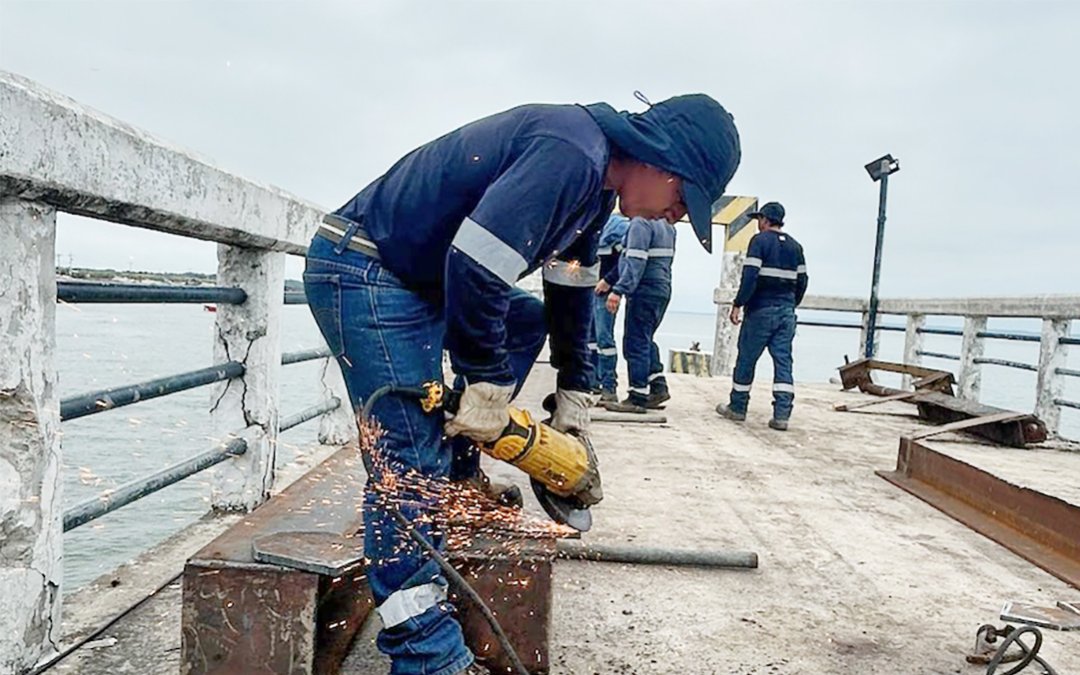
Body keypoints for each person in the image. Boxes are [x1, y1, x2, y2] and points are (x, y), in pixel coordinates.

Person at [304, 94, 740, 675]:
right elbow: (475, 267)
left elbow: (570, 288)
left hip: (418, 278)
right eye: (684, 199)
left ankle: (457, 476)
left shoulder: (596, 187)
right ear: (662, 161)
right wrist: (484, 381)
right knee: (404, 465)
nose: (678, 216)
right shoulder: (570, 153)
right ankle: (426, 654)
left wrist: (575, 390)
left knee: (525, 319)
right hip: (366, 268)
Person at [715, 201, 808, 431]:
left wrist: (738, 304)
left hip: (760, 311)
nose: (758, 224)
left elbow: (749, 277)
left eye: (759, 220)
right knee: (783, 361)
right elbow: (803, 281)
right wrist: (790, 304)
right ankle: (782, 415)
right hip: (786, 312)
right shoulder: (796, 247)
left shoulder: (759, 242)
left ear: (765, 220)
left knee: (746, 358)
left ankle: (737, 407)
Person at [597, 216, 676, 412]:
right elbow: (627, 258)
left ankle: (637, 396)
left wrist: (618, 290)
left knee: (635, 343)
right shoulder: (668, 226)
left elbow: (635, 261)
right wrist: (610, 280)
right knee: (645, 339)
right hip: (662, 288)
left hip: (644, 289)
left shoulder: (641, 223)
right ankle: (658, 386)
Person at [589, 214, 630, 403]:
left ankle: (609, 387)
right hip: (590, 287)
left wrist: (610, 282)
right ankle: (592, 381)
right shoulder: (592, 225)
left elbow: (625, 261)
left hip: (605, 291)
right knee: (590, 339)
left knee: (604, 339)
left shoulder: (619, 227)